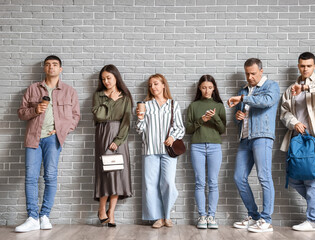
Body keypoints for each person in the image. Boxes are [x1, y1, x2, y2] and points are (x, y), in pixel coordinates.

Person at [16, 55, 80, 232]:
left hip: (53, 139)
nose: (51, 67)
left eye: (55, 64)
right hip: (33, 137)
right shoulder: (32, 89)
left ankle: (45, 216)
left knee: (50, 176)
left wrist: (62, 130)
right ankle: (32, 217)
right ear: (44, 68)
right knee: (30, 178)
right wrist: (35, 110)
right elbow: (21, 113)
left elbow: (75, 116)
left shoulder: (69, 91)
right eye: (48, 65)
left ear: (60, 69)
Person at [280, 52, 315, 232]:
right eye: (302, 66)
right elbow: (284, 112)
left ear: (314, 66)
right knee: (295, 178)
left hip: (314, 139)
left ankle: (314, 221)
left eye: (309, 66)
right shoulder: (290, 89)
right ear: (298, 66)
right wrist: (294, 122)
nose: (305, 69)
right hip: (297, 139)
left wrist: (305, 89)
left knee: (312, 179)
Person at [227, 58, 280, 233]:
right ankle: (254, 216)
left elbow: (265, 102)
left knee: (264, 177)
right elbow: (239, 116)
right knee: (238, 177)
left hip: (262, 137)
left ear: (261, 71)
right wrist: (238, 117)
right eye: (247, 73)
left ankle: (266, 220)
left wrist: (243, 98)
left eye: (253, 73)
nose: (249, 77)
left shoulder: (271, 86)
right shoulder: (243, 90)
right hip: (245, 138)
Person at [135, 73, 185, 229]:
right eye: (150, 85)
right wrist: (140, 118)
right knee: (150, 185)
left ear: (164, 85)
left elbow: (180, 128)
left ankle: (167, 215)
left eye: (156, 83)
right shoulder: (145, 105)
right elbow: (139, 130)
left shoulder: (173, 105)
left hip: (168, 150)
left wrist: (172, 136)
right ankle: (157, 217)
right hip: (150, 149)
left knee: (168, 183)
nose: (153, 87)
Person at [92, 64, 133, 227]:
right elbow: (99, 115)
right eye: (103, 79)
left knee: (117, 172)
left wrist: (118, 140)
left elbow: (127, 121)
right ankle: (101, 208)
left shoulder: (126, 97)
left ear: (116, 77)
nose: (106, 81)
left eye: (109, 78)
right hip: (103, 133)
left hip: (120, 136)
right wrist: (110, 101)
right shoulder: (99, 95)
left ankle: (111, 212)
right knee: (106, 172)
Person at [185, 75, 226, 229]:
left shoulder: (219, 106)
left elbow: (222, 130)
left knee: (213, 182)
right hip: (197, 146)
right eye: (203, 87)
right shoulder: (193, 106)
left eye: (209, 87)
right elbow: (188, 129)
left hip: (215, 146)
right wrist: (202, 119)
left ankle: (211, 216)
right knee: (199, 182)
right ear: (199, 89)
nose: (207, 90)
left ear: (214, 88)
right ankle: (202, 216)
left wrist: (214, 117)